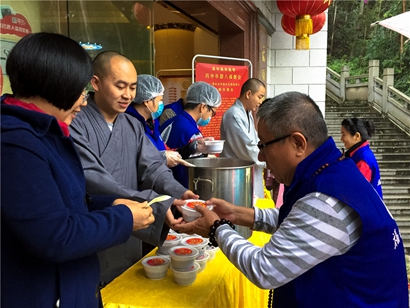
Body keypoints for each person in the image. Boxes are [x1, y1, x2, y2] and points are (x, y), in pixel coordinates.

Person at [175, 91, 408, 308]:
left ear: (298, 143)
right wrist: (237, 214)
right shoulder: (334, 172)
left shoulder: (326, 199)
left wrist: (217, 228)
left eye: (264, 145)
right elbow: (300, 220)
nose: (260, 155)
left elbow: (264, 268)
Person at [1, 32, 155, 308]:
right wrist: (122, 217)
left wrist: (111, 203)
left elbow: (62, 202)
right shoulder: (14, 143)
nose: (84, 101)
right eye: (80, 91)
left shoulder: (48, 131)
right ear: (56, 86)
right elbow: (55, 235)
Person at [69, 51, 197, 285]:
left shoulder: (131, 125)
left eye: (133, 87)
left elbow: (153, 167)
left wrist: (179, 194)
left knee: (130, 283)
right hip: (97, 222)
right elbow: (93, 178)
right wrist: (154, 203)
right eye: (120, 86)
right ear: (95, 82)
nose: (128, 95)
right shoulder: (75, 122)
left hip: (134, 222)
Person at [126, 74, 209, 168]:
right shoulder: (128, 124)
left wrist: (192, 148)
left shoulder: (152, 123)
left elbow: (165, 150)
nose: (162, 104)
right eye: (160, 100)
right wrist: (162, 158)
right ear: (147, 101)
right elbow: (132, 161)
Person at [160, 81, 221, 188]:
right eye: (212, 112)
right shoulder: (191, 131)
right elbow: (196, 165)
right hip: (182, 183)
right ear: (203, 107)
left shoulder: (175, 119)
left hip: (166, 181)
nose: (212, 116)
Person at [220, 78, 267, 200]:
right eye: (259, 96)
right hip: (236, 174)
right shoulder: (233, 114)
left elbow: (255, 142)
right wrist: (268, 161)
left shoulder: (248, 114)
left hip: (249, 170)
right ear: (248, 94)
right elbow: (247, 148)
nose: (261, 101)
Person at [341, 117, 383, 198]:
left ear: (357, 136)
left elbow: (356, 191)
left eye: (343, 135)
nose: (341, 139)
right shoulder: (358, 154)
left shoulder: (363, 160)